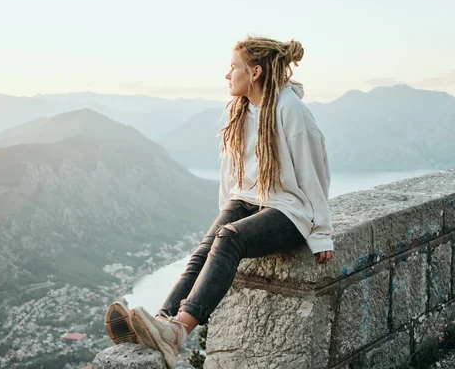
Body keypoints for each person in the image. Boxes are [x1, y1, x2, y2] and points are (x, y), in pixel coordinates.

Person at [104, 36, 334, 369]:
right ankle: (161, 322)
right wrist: (224, 216)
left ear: (254, 72)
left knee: (230, 238)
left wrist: (321, 233)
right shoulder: (236, 110)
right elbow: (231, 175)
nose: (227, 75)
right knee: (206, 247)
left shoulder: (290, 109)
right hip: (248, 200)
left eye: (233, 68)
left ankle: (179, 331)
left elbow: (315, 171)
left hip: (289, 210)